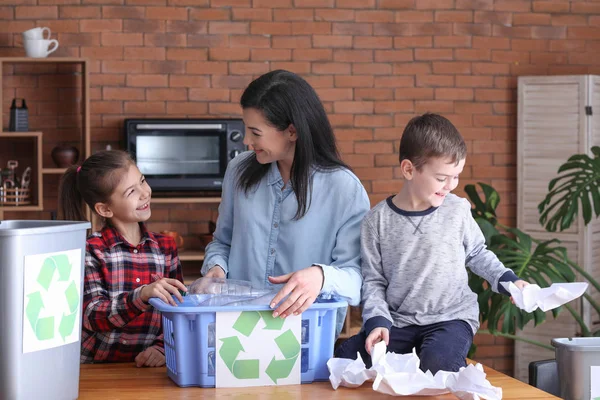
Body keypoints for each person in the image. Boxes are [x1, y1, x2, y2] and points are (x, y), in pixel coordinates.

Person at [334, 113, 529, 374]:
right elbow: (374, 280)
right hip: (400, 322)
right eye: (442, 178)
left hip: (449, 319)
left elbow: (477, 254)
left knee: (439, 363)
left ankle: (430, 360)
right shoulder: (376, 221)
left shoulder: (457, 210)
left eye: (456, 176)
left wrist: (508, 280)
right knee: (344, 357)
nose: (451, 185)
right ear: (409, 169)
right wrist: (378, 321)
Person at [201, 70, 370, 330]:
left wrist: (321, 276)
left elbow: (356, 278)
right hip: (237, 329)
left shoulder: (344, 189)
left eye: (255, 133)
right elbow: (222, 242)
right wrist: (216, 269)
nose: (246, 141)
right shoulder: (238, 171)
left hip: (307, 332)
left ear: (292, 131)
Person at [58, 150, 187, 367]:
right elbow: (91, 315)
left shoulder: (165, 247)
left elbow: (179, 310)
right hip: (94, 369)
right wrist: (142, 295)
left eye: (142, 181)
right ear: (105, 209)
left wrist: (161, 347)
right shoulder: (91, 250)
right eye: (131, 192)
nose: (144, 193)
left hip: (146, 368)